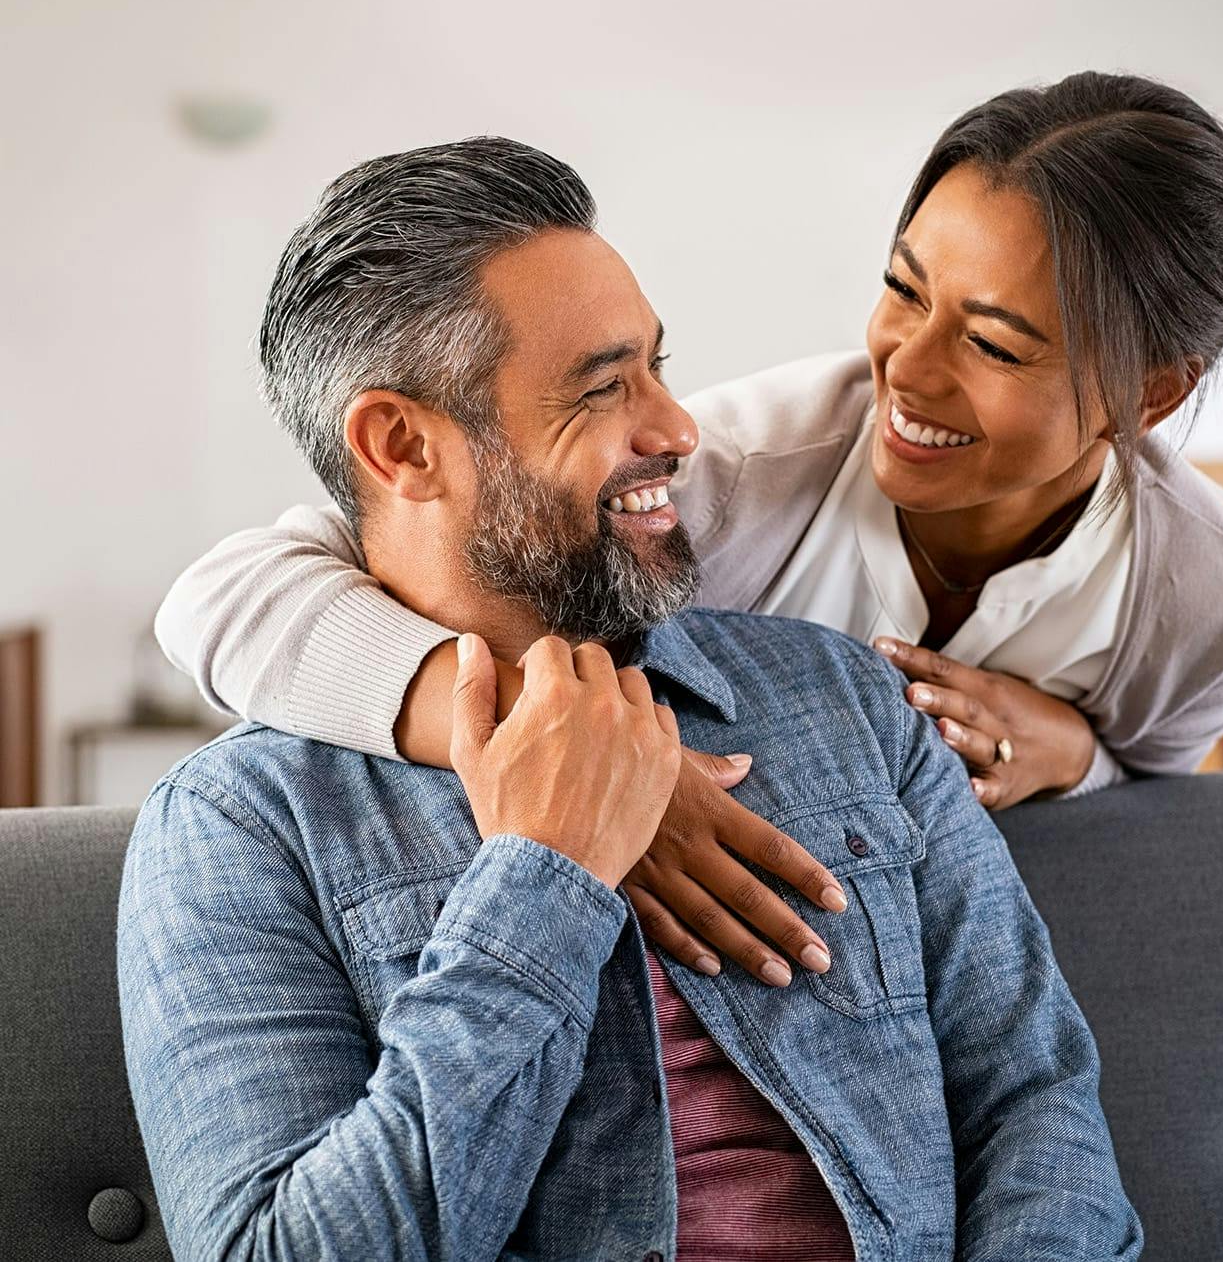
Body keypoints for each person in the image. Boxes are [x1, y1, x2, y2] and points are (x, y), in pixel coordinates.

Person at [119, 138, 1142, 1260]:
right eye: (604, 387)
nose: (677, 428)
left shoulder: (846, 697)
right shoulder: (241, 825)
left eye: (657, 366)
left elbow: (1036, 1099)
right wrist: (541, 879)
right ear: (402, 444)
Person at [156, 71, 1223, 986]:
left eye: (995, 343)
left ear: (1149, 395)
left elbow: (1156, 802)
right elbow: (225, 597)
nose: (903, 368)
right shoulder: (732, 474)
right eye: (902, 288)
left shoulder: (1214, 592)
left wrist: (1077, 755)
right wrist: (575, 754)